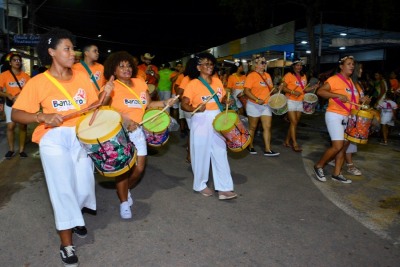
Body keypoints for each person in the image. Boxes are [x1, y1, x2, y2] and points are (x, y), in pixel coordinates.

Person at [11, 28, 110, 267]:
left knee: (84, 184)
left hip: (80, 136)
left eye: (72, 48)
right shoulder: (38, 82)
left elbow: (92, 106)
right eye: (66, 48)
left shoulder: (82, 77)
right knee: (62, 188)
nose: (72, 52)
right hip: (52, 139)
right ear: (51, 52)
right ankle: (66, 244)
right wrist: (41, 118)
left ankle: (74, 215)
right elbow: (16, 113)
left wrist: (104, 97)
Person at [101, 51, 177, 219]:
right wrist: (125, 120)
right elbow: (103, 110)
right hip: (118, 133)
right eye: (121, 66)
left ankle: (124, 189)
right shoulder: (110, 86)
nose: (126, 69)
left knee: (139, 168)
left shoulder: (140, 82)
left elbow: (148, 104)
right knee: (123, 170)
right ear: (113, 70)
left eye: (128, 65)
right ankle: (123, 202)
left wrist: (166, 102)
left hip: (138, 131)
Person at [181, 52, 237, 200]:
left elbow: (222, 97)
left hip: (217, 118)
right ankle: (200, 184)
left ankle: (224, 188)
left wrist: (226, 101)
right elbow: (184, 104)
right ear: (199, 67)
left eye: (211, 64)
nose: (210, 67)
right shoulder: (192, 84)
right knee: (201, 154)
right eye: (206, 64)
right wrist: (196, 107)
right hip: (201, 120)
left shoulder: (218, 81)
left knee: (220, 152)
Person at [313, 55, 369, 184]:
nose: (352, 66)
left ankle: (337, 173)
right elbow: (320, 92)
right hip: (335, 114)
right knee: (337, 145)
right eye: (349, 64)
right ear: (341, 66)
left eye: (353, 64)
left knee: (343, 148)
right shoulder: (334, 79)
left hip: (349, 117)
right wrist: (337, 95)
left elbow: (356, 99)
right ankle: (319, 165)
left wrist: (363, 100)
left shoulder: (353, 83)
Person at [243, 55, 279, 156]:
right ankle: (250, 146)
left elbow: (271, 90)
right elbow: (246, 91)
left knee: (267, 127)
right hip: (254, 105)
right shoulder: (251, 75)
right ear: (256, 65)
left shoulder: (267, 75)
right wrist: (256, 99)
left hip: (266, 105)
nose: (264, 64)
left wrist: (277, 89)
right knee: (253, 127)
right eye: (262, 63)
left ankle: (268, 149)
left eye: (265, 62)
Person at [281, 59, 318, 152]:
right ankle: (294, 143)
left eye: (300, 65)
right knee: (293, 122)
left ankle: (286, 141)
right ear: (293, 66)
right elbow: (283, 87)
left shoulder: (303, 76)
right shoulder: (288, 75)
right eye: (297, 65)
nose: (299, 67)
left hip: (300, 101)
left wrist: (313, 87)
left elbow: (304, 89)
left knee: (295, 123)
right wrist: (293, 92)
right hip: (290, 100)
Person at [0, 53, 30, 159]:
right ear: (10, 63)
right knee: (10, 126)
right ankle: (11, 149)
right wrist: (8, 95)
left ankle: (21, 150)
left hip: (22, 105)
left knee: (23, 126)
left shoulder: (25, 76)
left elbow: (30, 90)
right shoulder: (4, 75)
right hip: (10, 104)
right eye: (14, 60)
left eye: (19, 60)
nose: (17, 62)